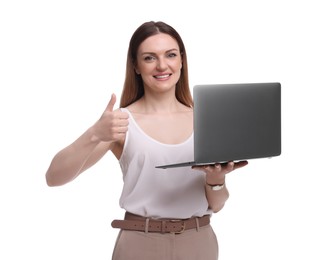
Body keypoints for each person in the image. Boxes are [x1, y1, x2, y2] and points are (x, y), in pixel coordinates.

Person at [45, 21, 248, 260]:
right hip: (139, 243)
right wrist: (95, 134)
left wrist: (216, 180)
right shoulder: (120, 122)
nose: (162, 65)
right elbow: (54, 177)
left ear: (181, 60)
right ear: (136, 66)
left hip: (198, 241)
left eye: (170, 55)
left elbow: (217, 204)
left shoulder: (205, 121)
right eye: (150, 58)